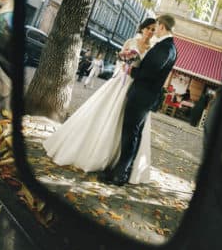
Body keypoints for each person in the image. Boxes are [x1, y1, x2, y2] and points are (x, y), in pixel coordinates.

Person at [43, 18, 158, 184]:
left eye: (154, 29)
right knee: (103, 112)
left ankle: (118, 160)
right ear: (143, 28)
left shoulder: (152, 49)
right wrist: (124, 64)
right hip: (121, 80)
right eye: (148, 28)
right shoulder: (131, 41)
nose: (150, 32)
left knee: (128, 122)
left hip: (135, 86)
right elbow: (120, 58)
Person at [101, 14, 178, 186]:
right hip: (145, 96)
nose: (155, 29)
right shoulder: (169, 47)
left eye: (157, 26)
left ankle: (119, 175)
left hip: (142, 96)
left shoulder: (165, 48)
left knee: (130, 135)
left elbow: (148, 74)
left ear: (163, 27)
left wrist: (132, 72)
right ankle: (123, 172)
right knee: (133, 134)